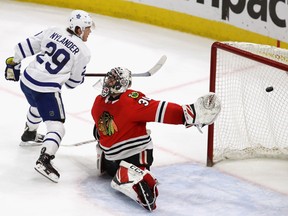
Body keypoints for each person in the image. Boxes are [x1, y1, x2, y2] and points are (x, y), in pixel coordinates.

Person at [91, 67, 221, 211]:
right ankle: (138, 180)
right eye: (109, 79)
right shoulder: (129, 101)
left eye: (112, 80)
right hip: (133, 159)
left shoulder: (98, 102)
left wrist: (187, 113)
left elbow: (158, 109)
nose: (108, 82)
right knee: (133, 179)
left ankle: (129, 174)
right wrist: (190, 114)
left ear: (119, 83)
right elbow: (159, 109)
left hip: (110, 160)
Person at [4, 9, 94, 183]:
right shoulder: (83, 52)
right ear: (77, 29)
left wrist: (14, 62)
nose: (89, 31)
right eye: (87, 28)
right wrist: (74, 76)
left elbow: (26, 46)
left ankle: (29, 133)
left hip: (27, 80)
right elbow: (72, 84)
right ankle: (45, 160)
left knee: (37, 106)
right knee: (57, 127)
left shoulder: (52, 30)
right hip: (45, 89)